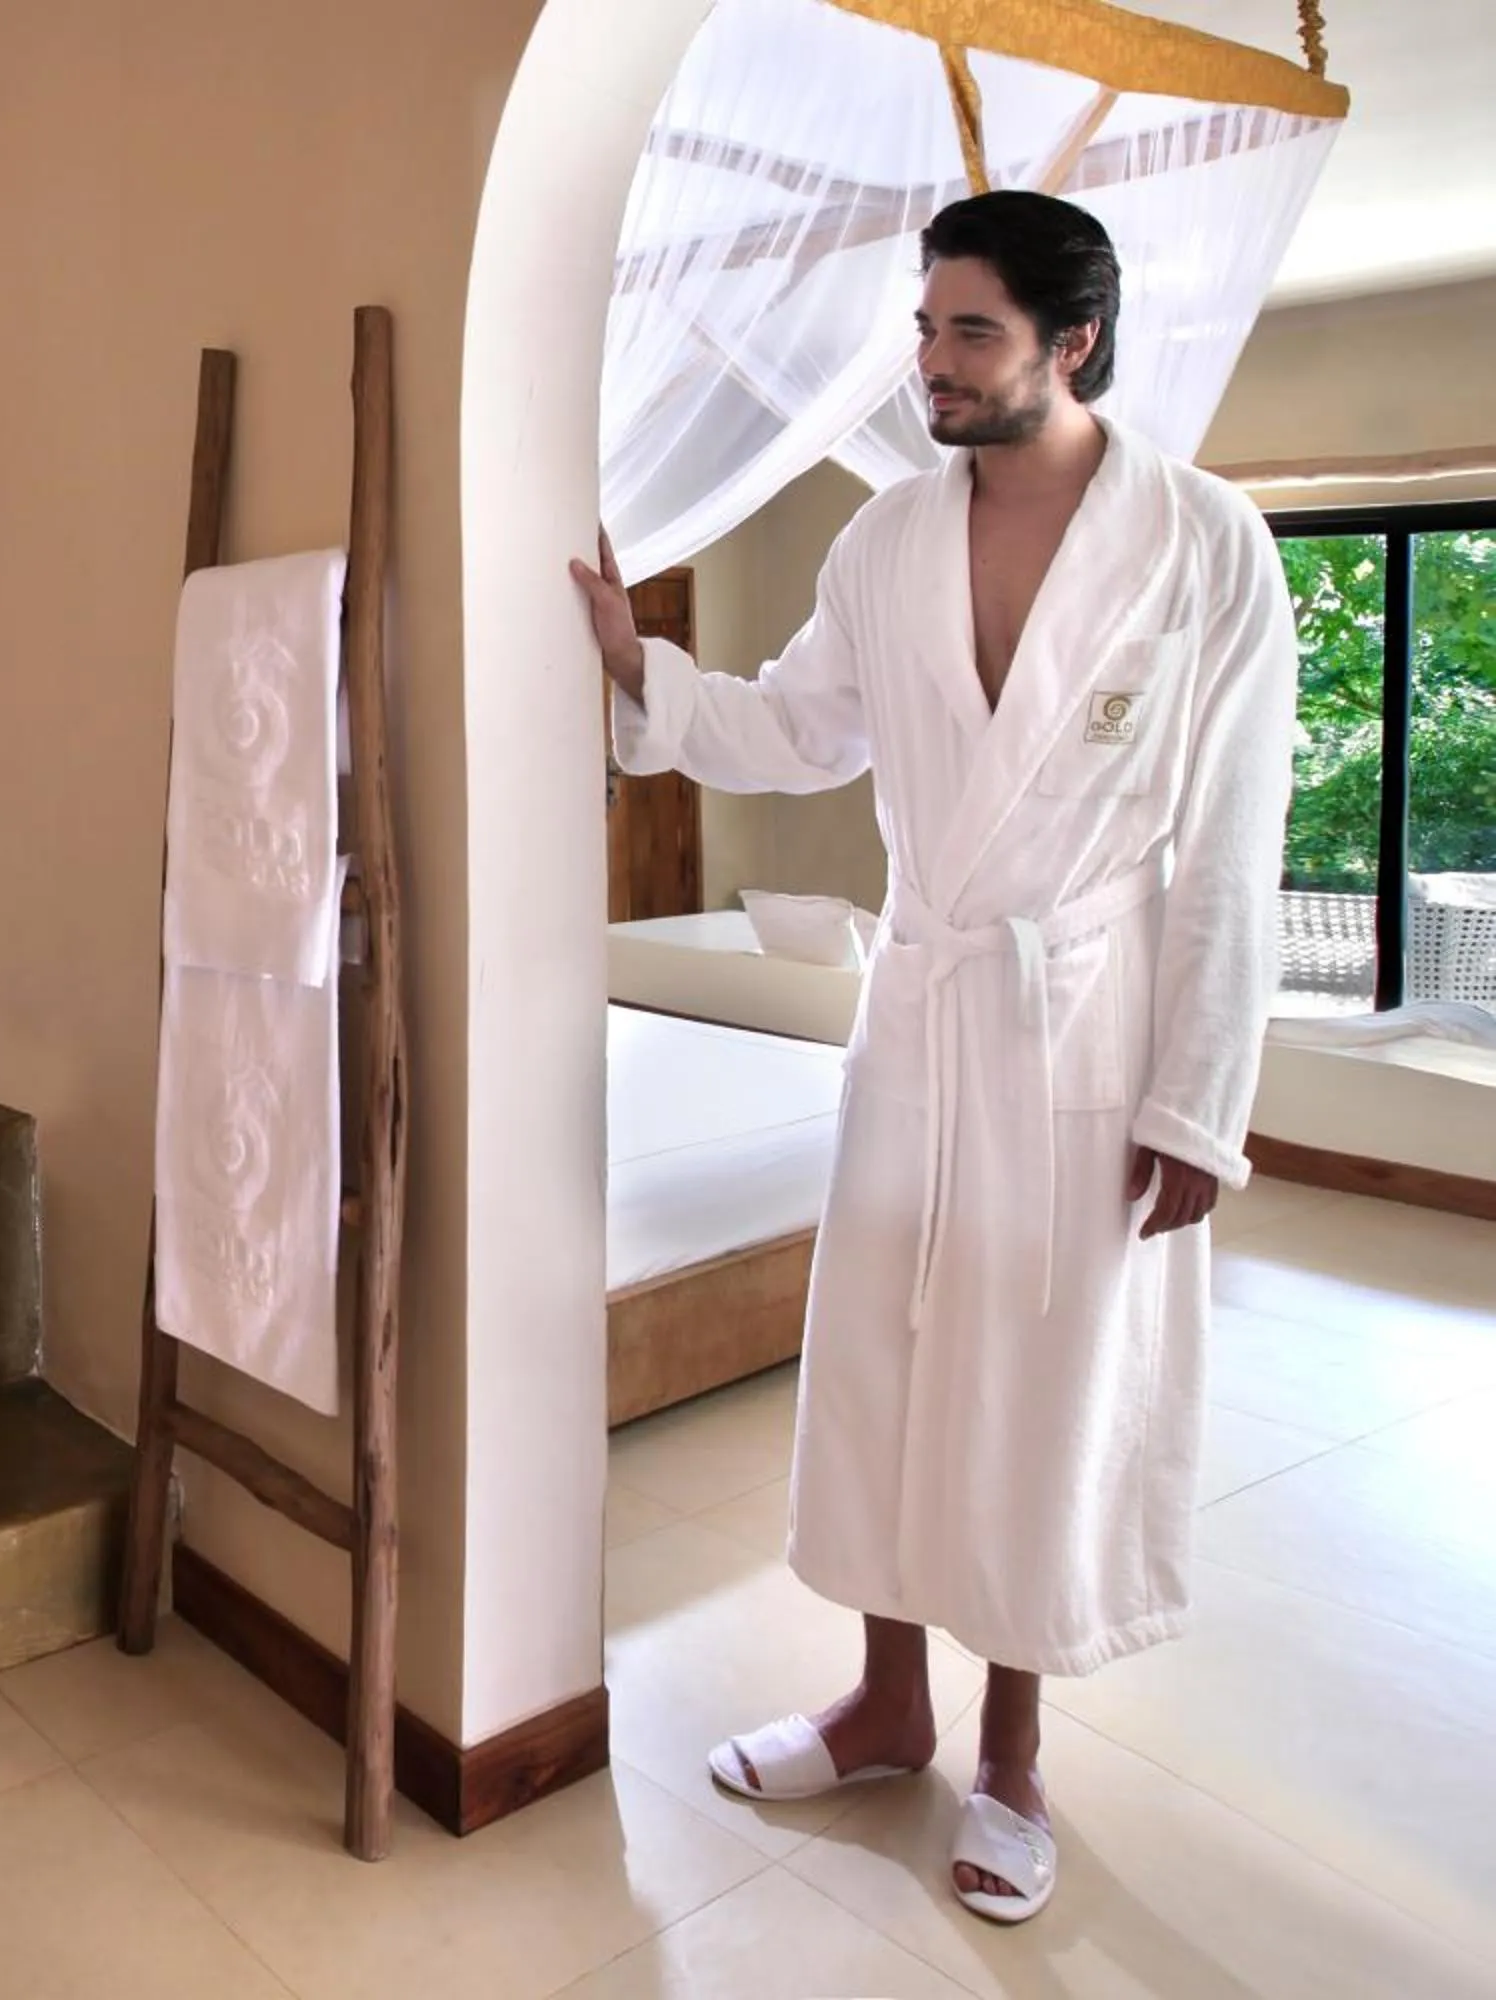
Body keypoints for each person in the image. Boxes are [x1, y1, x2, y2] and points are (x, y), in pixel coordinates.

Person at [573, 191, 1295, 1924]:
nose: (927, 368)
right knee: (884, 1353)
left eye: (969, 334)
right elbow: (802, 725)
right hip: (924, 1003)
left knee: (1042, 1384)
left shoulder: (1207, 547)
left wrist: (1200, 1094)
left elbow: (1233, 840)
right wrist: (646, 675)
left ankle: (1015, 1752)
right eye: (922, 330)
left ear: (1073, 345)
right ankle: (888, 1699)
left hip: (1091, 1022)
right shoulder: (888, 542)